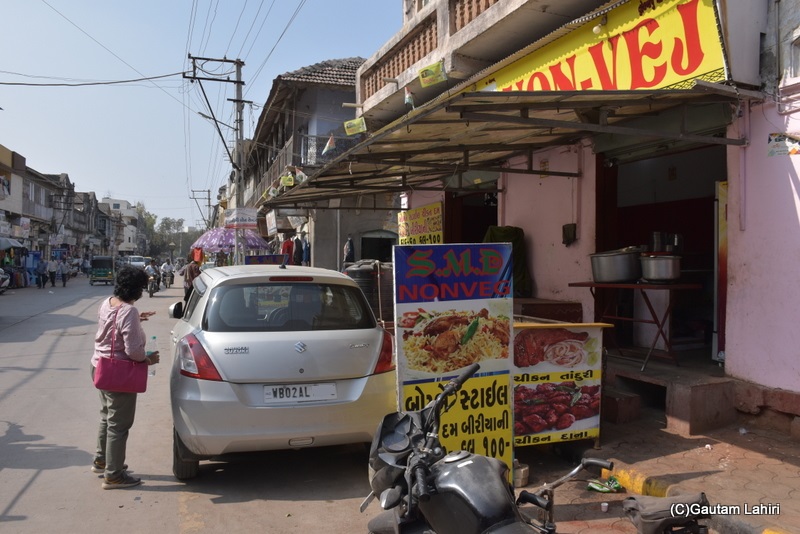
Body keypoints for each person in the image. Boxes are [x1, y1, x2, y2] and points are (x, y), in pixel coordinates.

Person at [90, 266, 159, 489]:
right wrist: (148, 360)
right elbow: (133, 351)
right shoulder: (128, 311)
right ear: (137, 289)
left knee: (106, 416)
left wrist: (137, 319)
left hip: (100, 366)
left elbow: (112, 325)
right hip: (118, 371)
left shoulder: (108, 302)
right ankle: (114, 475)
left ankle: (102, 461)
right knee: (119, 425)